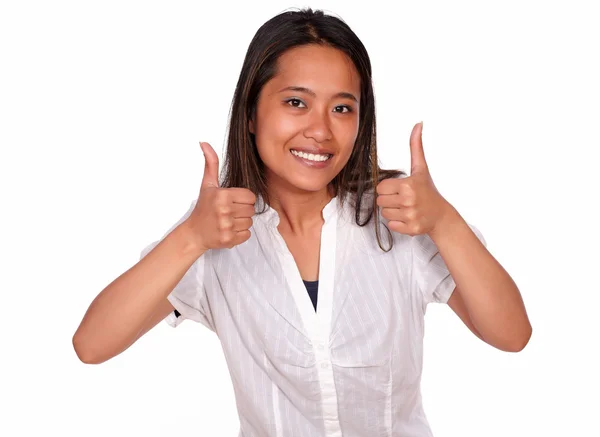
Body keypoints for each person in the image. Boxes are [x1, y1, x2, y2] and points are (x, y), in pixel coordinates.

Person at [72, 7, 532, 437]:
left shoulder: (400, 219)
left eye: (342, 108)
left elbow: (512, 335)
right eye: (296, 102)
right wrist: (190, 237)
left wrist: (446, 222)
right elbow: (92, 346)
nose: (321, 130)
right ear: (251, 113)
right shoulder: (215, 234)